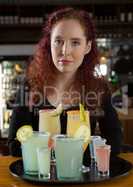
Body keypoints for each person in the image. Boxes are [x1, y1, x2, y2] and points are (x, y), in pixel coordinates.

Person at [8, 7, 122, 164]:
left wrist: (63, 156)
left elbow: (114, 143)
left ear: (87, 47)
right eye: (58, 41)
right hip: (39, 182)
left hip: (85, 183)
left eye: (75, 42)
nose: (65, 50)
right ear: (50, 44)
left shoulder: (98, 89)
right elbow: (14, 145)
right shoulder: (30, 86)